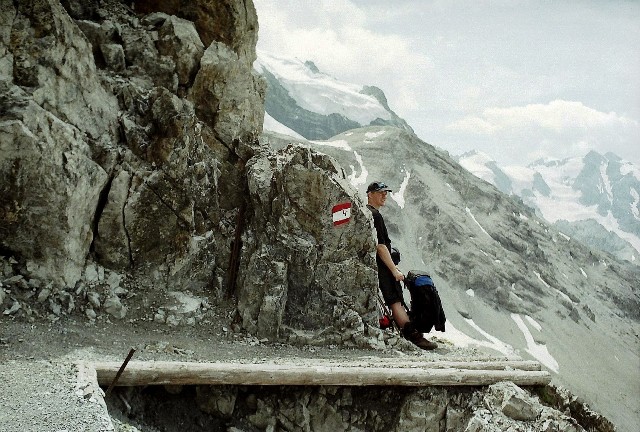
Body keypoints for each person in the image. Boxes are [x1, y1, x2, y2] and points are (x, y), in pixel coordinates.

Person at [366, 181, 438, 350]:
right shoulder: (374, 215)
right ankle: (412, 335)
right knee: (395, 300)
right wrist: (394, 270)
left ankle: (402, 329)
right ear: (370, 194)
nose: (385, 195)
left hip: (377, 263)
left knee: (394, 299)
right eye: (380, 192)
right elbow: (380, 246)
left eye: (386, 192)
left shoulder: (368, 213)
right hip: (381, 265)